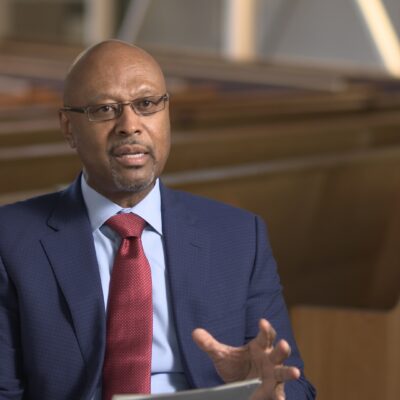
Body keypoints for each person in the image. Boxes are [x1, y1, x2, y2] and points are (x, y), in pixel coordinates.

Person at [0, 40, 316, 400]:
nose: (130, 125)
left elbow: (294, 383)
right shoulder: (10, 241)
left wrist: (260, 391)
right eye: (105, 109)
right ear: (68, 127)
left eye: (147, 104)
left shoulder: (241, 237)